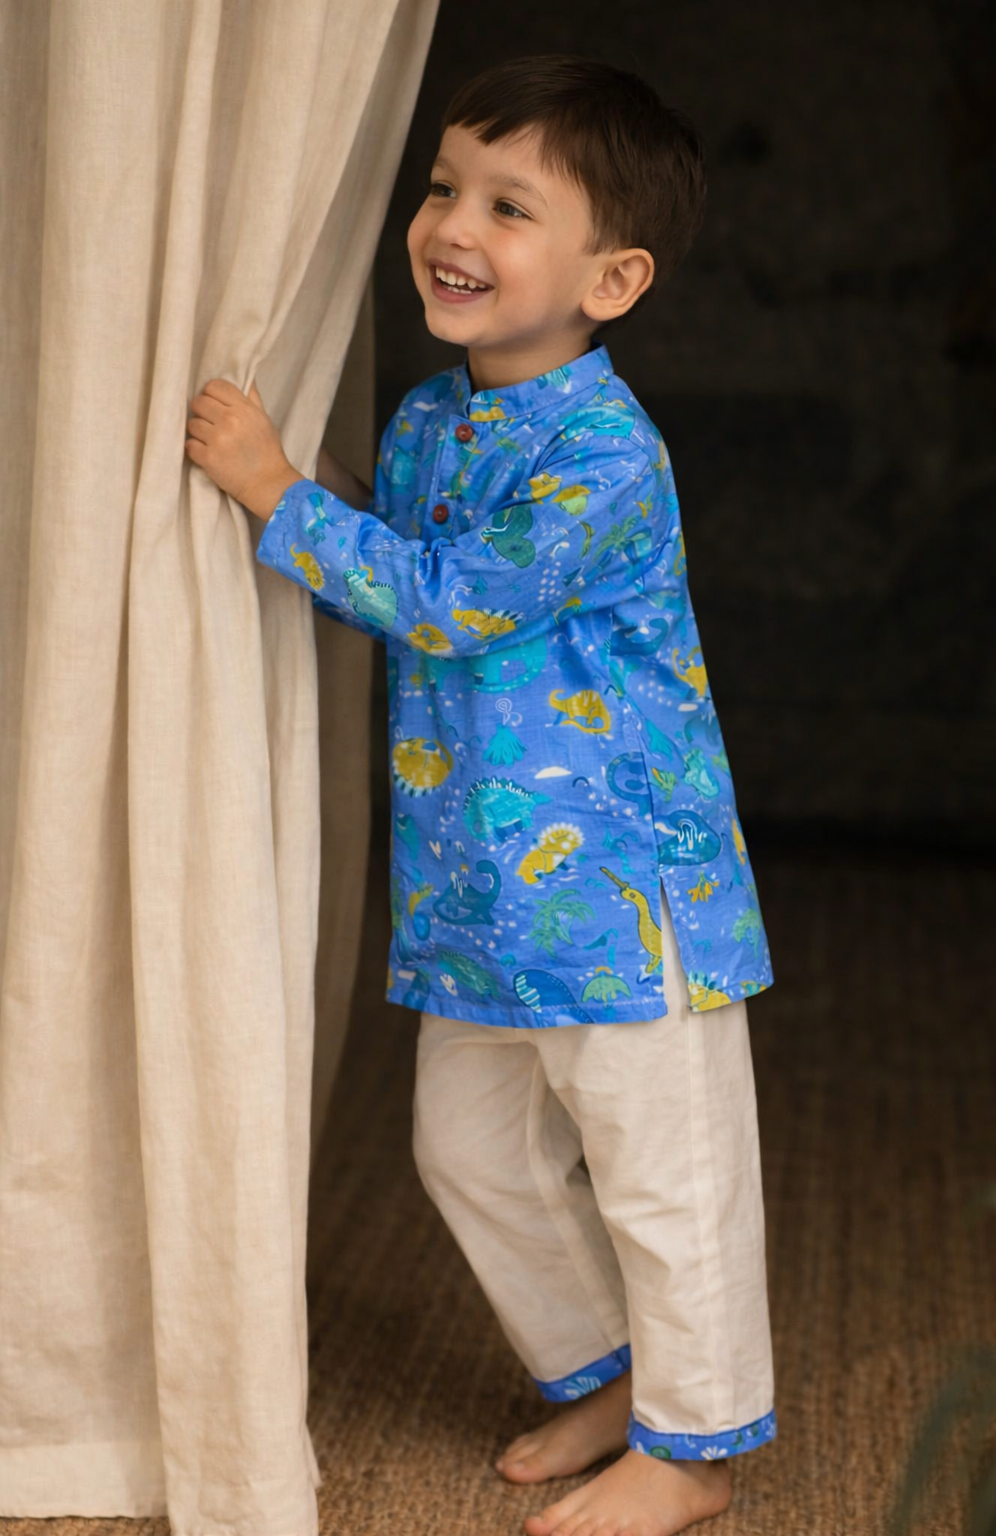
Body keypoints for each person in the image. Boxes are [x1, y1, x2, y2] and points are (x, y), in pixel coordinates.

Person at [185, 53, 776, 1536]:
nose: (454, 220)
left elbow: (447, 601)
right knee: (465, 1148)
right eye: (447, 184)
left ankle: (697, 1445)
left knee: (668, 1173)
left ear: (613, 278)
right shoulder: (432, 424)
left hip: (631, 895)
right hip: (480, 896)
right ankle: (609, 1370)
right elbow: (388, 574)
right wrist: (315, 501)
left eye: (513, 205)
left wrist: (278, 496)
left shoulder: (603, 451)